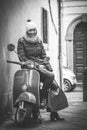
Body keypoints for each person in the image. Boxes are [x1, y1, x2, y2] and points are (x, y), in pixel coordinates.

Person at [17, 19, 68, 121]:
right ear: (26, 31)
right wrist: (32, 64)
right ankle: (40, 102)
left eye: (33, 30)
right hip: (29, 68)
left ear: (36, 30)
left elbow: (44, 55)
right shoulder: (21, 41)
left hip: (41, 67)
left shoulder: (39, 41)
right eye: (29, 30)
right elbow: (21, 56)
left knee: (55, 87)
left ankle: (53, 113)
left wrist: (46, 65)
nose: (32, 32)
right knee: (40, 82)